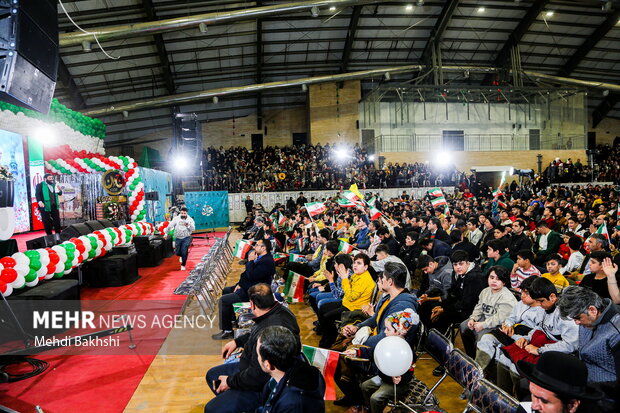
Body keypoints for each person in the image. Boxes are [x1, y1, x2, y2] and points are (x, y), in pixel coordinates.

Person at [205, 284, 300, 413]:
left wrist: (230, 381)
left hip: (262, 385)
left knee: (212, 409)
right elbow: (255, 332)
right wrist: (237, 342)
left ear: (252, 304)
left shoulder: (270, 330)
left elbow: (257, 376)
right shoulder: (278, 312)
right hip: (253, 368)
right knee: (213, 375)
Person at [558, 286, 620, 411]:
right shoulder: (589, 320)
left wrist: (584, 389)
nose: (576, 323)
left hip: (604, 395)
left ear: (592, 310)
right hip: (585, 382)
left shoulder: (616, 332)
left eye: (577, 318)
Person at [212, 239, 275, 340]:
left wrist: (250, 261)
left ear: (263, 248)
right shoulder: (260, 258)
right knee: (226, 290)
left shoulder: (266, 262)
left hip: (254, 292)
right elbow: (246, 275)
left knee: (223, 300)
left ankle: (227, 331)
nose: (254, 247)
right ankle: (232, 321)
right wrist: (239, 284)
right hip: (249, 286)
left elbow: (251, 276)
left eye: (257, 245)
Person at [255, 326, 325, 413]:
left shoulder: (291, 404)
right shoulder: (305, 368)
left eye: (258, 355)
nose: (257, 358)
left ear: (267, 365)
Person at [516, 351, 604, 413]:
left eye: (544, 401)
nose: (534, 405)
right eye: (533, 394)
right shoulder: (525, 408)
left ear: (572, 405)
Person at [460, 266, 517, 358]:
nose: (494, 281)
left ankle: (481, 365)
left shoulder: (507, 298)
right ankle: (471, 357)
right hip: (486, 318)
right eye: (491, 277)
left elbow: (499, 319)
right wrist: (473, 318)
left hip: (499, 326)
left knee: (481, 336)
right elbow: (479, 307)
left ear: (504, 282)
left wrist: (483, 325)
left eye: (498, 279)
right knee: (464, 326)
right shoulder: (485, 291)